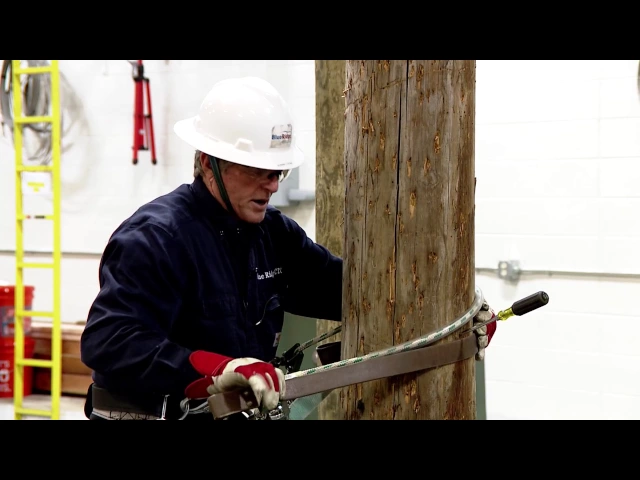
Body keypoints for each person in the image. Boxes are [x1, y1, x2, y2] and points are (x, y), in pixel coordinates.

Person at [80, 76, 496, 420]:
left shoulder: (272, 234)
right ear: (209, 162)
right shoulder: (156, 238)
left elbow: (352, 294)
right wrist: (218, 369)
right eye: (259, 172)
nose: (273, 186)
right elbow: (109, 341)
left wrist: (454, 312)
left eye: (277, 172)